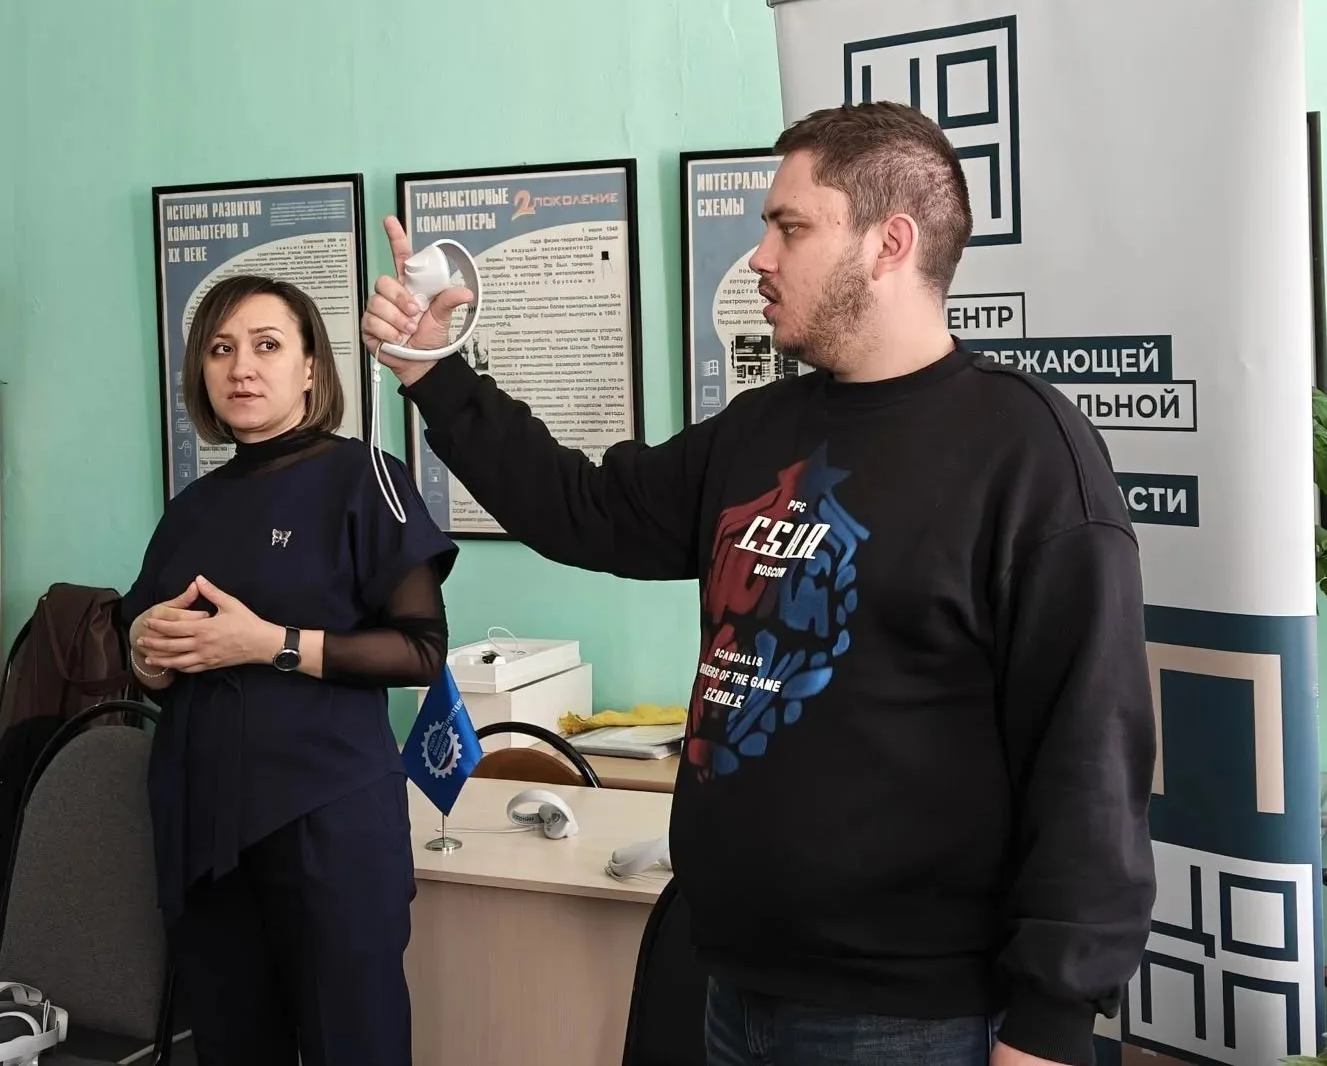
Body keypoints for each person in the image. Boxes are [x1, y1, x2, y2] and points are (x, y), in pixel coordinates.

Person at [360, 100, 1156, 1066]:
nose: (759, 258)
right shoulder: (763, 429)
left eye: (789, 227)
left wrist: (1052, 1022)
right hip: (731, 982)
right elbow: (583, 508)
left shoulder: (1027, 456)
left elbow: (1087, 756)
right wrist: (434, 376)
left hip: (911, 1015)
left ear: (889, 243)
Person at [121, 274, 457, 1066]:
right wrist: (145, 649)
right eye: (220, 348)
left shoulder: (364, 479)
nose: (241, 366)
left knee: (353, 1045)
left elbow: (420, 649)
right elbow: (147, 660)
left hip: (326, 821)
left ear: (310, 367)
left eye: (266, 345)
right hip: (202, 828)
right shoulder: (192, 508)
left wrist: (267, 641)